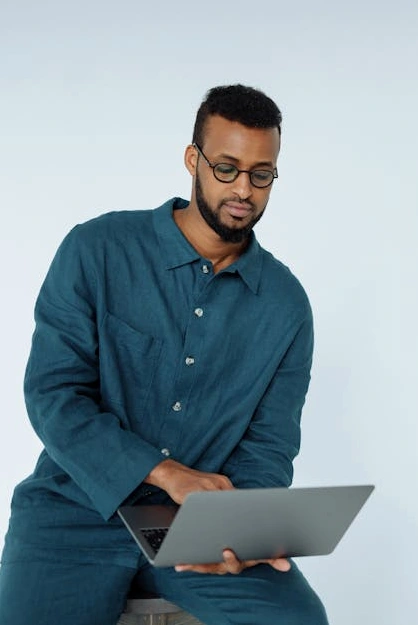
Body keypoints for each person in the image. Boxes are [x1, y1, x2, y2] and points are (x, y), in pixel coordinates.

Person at [0, 84, 327, 624]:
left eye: (260, 173)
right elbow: (54, 396)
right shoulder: (97, 249)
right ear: (192, 160)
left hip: (200, 526)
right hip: (72, 508)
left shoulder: (287, 306)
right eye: (226, 167)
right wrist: (163, 471)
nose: (243, 188)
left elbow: (268, 446)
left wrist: (242, 531)